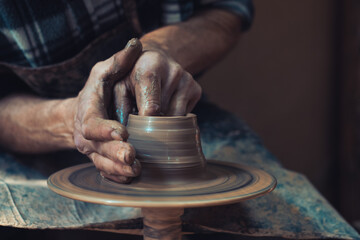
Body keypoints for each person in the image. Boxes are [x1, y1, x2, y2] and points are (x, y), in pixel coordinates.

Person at [0, 0, 254, 183]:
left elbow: (225, 10)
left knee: (278, 210)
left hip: (175, 119)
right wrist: (75, 121)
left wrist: (159, 49)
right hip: (34, 134)